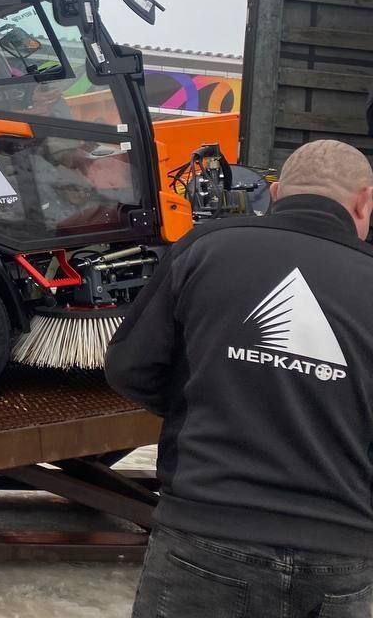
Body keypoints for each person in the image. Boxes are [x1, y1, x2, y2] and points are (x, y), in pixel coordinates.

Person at [105, 139, 373, 618]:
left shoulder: (207, 247)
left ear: (276, 192)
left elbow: (129, 368)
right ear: (365, 201)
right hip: (341, 551)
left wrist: (214, 394)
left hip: (205, 534)